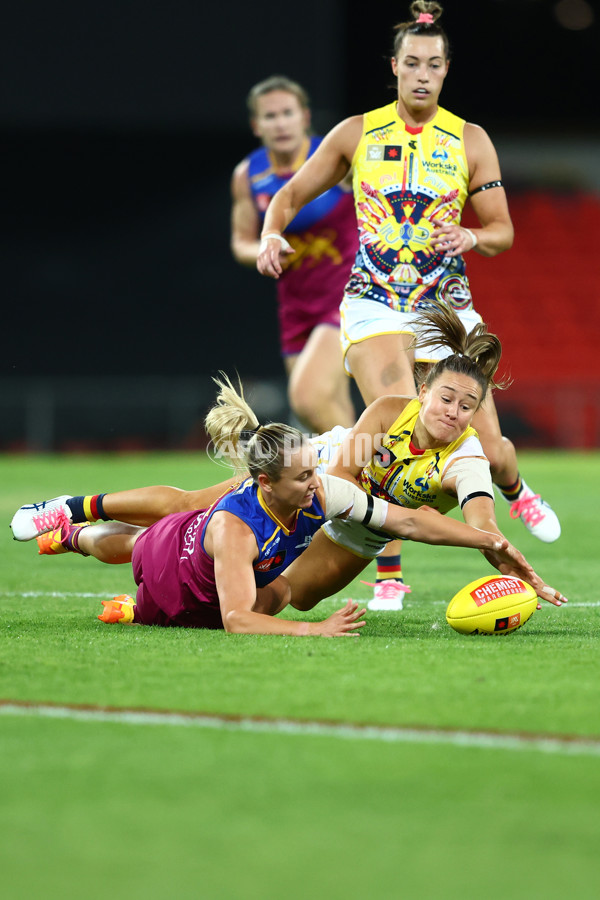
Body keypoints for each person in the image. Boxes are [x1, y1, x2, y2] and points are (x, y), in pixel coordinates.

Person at [256, 1, 561, 611]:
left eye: (435, 65)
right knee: (393, 418)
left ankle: (515, 486)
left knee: (485, 443)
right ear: (394, 66)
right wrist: (271, 231)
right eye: (412, 63)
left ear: (446, 72)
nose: (423, 74)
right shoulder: (355, 132)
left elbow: (501, 231)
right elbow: (289, 192)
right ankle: (389, 570)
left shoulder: (469, 139)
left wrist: (473, 236)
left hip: (445, 303)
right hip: (374, 301)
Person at [11, 307, 566, 623]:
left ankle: (150, 607)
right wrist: (311, 517)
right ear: (424, 388)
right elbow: (342, 481)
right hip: (317, 477)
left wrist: (496, 546)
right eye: (446, 397)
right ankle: (65, 510)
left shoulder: (467, 456)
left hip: (357, 524)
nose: (453, 412)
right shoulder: (389, 410)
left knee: (284, 597)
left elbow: (478, 516)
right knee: (188, 511)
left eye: (467, 405)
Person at [231, 75, 357, 432]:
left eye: (288, 113)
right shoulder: (248, 175)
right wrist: (263, 248)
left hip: (345, 299)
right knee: (330, 412)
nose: (280, 122)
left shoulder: (334, 158)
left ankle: (371, 470)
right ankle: (354, 482)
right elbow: (240, 242)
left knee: (308, 400)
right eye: (270, 116)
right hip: (296, 306)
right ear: (257, 125)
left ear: (304, 116)